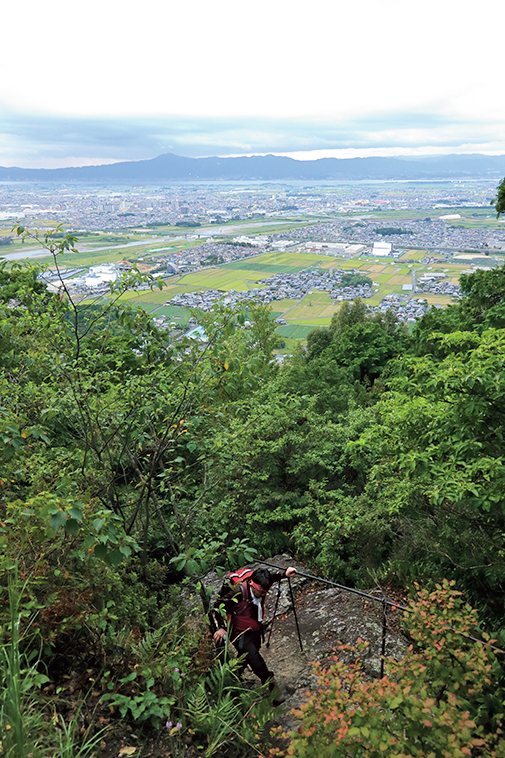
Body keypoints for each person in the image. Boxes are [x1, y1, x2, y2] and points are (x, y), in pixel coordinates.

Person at [212, 565, 297, 703]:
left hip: (254, 626)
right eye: (260, 591)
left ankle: (233, 678)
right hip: (237, 630)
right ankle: (273, 688)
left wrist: (284, 574)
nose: (263, 594)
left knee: (251, 652)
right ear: (252, 583)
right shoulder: (238, 592)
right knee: (255, 659)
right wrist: (221, 627)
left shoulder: (262, 585)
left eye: (265, 591)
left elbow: (272, 579)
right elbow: (217, 606)